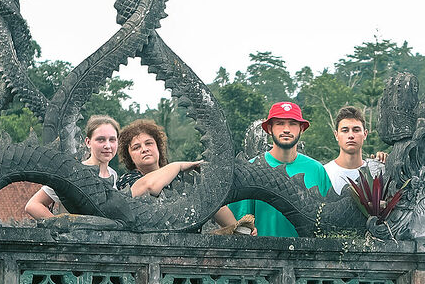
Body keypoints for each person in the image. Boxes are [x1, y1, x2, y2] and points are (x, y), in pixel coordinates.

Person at [117, 119, 248, 234]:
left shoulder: (180, 177)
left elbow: (211, 201)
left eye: (149, 143)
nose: (144, 149)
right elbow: (150, 186)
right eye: (136, 147)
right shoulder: (127, 181)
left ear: (158, 147)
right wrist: (178, 166)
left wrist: (239, 229)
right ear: (130, 157)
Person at [228, 102, 330, 238]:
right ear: (269, 129)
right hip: (263, 250)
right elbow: (238, 224)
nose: (286, 129)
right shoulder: (251, 169)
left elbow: (327, 221)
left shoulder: (316, 170)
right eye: (280, 123)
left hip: (307, 250)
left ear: (301, 129)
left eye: (292, 124)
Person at [26, 114, 121, 218]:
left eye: (112, 140)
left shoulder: (112, 174)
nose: (107, 146)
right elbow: (33, 205)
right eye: (100, 140)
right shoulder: (73, 173)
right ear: (88, 142)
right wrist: (61, 224)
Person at [324, 106, 384, 194]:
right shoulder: (324, 173)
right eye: (345, 130)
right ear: (336, 135)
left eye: (356, 130)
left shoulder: (376, 172)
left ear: (365, 134)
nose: (351, 135)